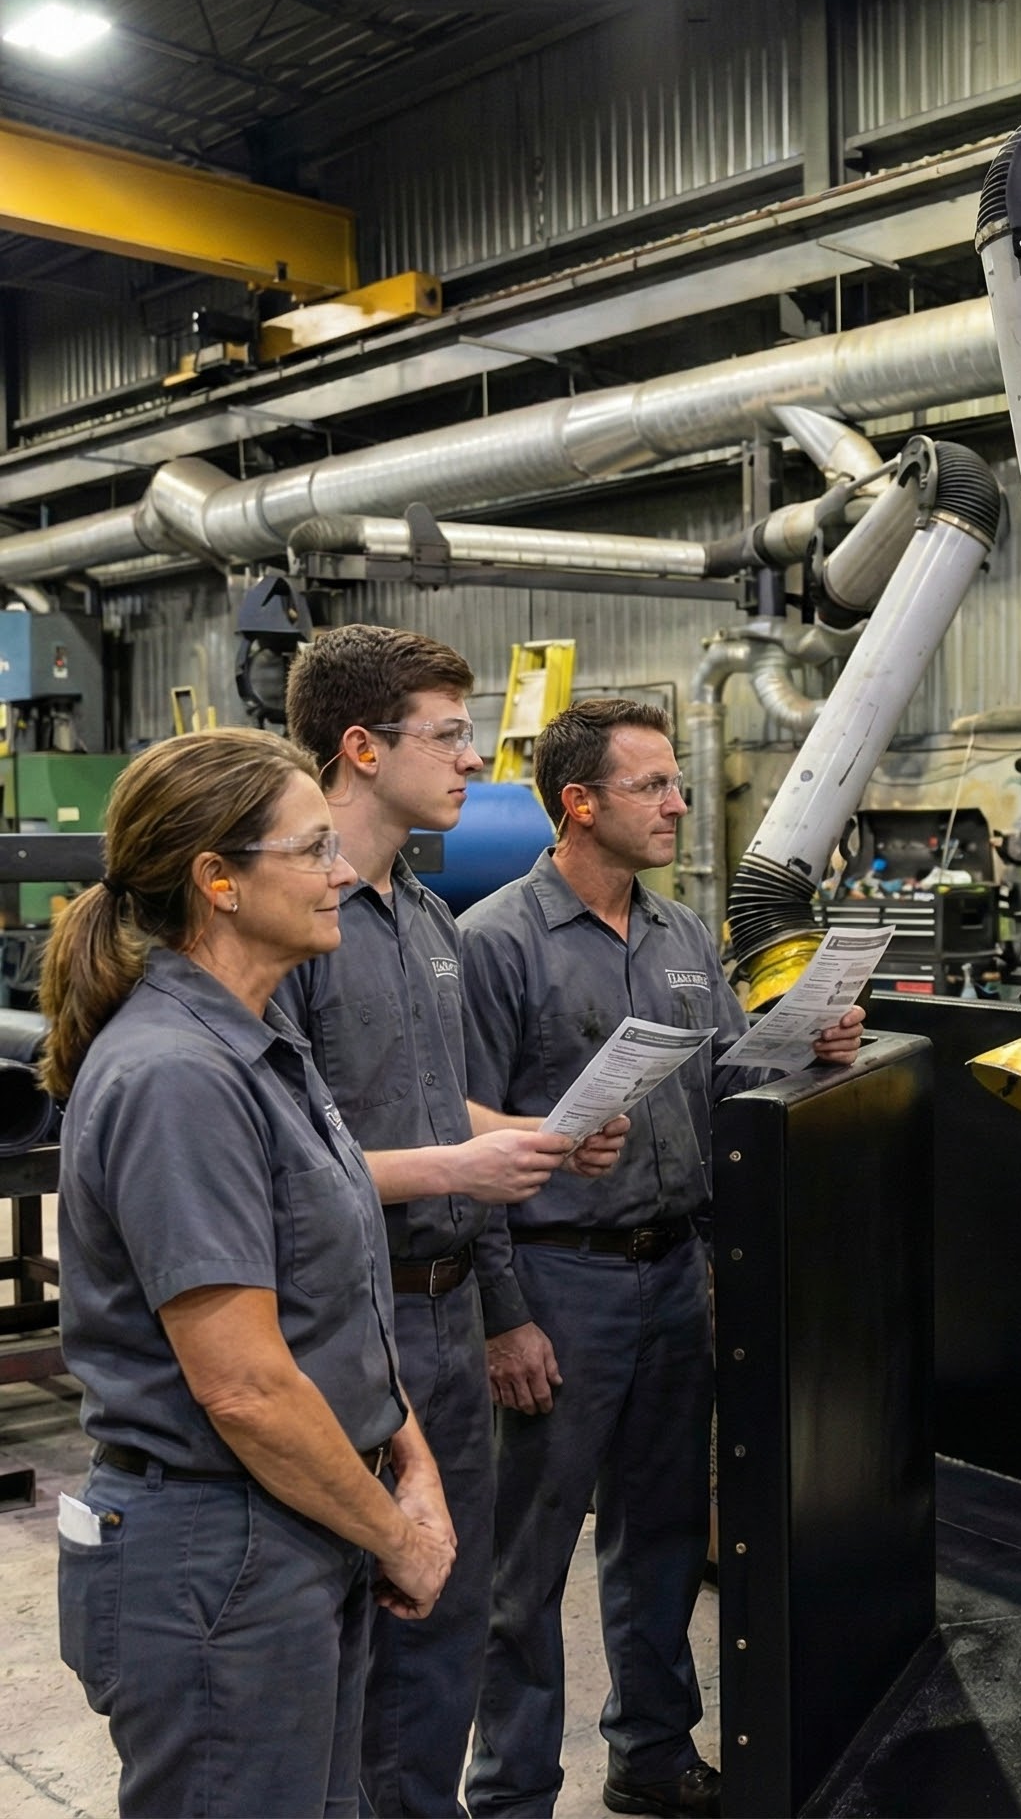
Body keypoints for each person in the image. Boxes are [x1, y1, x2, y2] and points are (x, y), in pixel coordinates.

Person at [458, 698, 863, 1819]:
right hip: (557, 1279)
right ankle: (511, 1792)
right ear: (579, 803)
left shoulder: (685, 934)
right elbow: (464, 1142)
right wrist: (502, 1314)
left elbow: (730, 1083)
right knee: (523, 1563)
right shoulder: (495, 941)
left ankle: (650, 1749)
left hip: (674, 1272)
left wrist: (808, 1041)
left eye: (677, 782)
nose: (681, 802)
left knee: (666, 1532)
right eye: (655, 786)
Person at [44, 727, 457, 1816]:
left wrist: (406, 1458)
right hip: (217, 1553)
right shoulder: (177, 1074)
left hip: (300, 1521)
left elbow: (339, 1294)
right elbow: (245, 1383)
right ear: (217, 880)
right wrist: (397, 1534)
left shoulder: (262, 1041)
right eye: (313, 849)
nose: (340, 873)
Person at [281, 625, 629, 1816]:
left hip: (443, 1318)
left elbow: (438, 1110)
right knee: (354, 1644)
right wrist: (464, 1160)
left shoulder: (427, 921)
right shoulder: (296, 925)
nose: (473, 759)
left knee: (447, 1627)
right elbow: (285, 1161)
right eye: (448, 734)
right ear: (363, 748)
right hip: (336, 1329)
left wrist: (533, 1137)